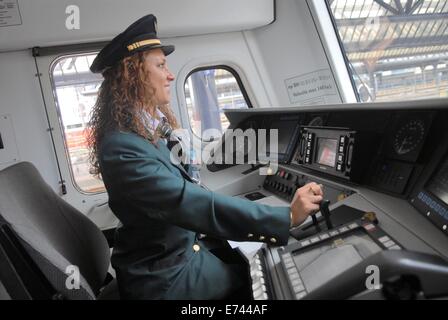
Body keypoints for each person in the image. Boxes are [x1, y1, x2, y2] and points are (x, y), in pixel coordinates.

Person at [88, 14, 323, 300]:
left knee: (261, 263)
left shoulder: (147, 130)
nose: (170, 74)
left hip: (178, 253)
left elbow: (188, 183)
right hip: (166, 279)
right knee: (272, 284)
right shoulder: (122, 147)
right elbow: (187, 201)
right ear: (132, 74)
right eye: (161, 65)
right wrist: (285, 216)